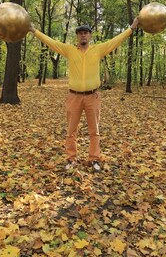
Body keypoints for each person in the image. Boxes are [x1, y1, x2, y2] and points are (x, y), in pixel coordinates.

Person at [29, 18, 139, 171]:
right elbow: (51, 42)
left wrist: (131, 28)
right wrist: (34, 31)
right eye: (80, 33)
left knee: (94, 130)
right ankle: (71, 159)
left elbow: (116, 40)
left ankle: (94, 159)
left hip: (92, 97)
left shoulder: (98, 50)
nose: (83, 36)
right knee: (71, 131)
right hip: (74, 97)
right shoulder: (69, 50)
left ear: (90, 36)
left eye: (85, 33)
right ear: (77, 37)